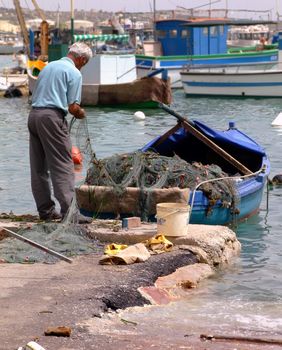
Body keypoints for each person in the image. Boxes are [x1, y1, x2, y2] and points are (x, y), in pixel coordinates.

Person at [28, 42, 93, 223]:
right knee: (63, 165)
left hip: (34, 116)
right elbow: (73, 107)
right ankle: (70, 213)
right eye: (84, 63)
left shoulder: (49, 67)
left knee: (39, 167)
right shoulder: (74, 73)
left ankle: (46, 212)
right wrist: (81, 113)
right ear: (80, 59)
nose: (82, 66)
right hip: (52, 118)